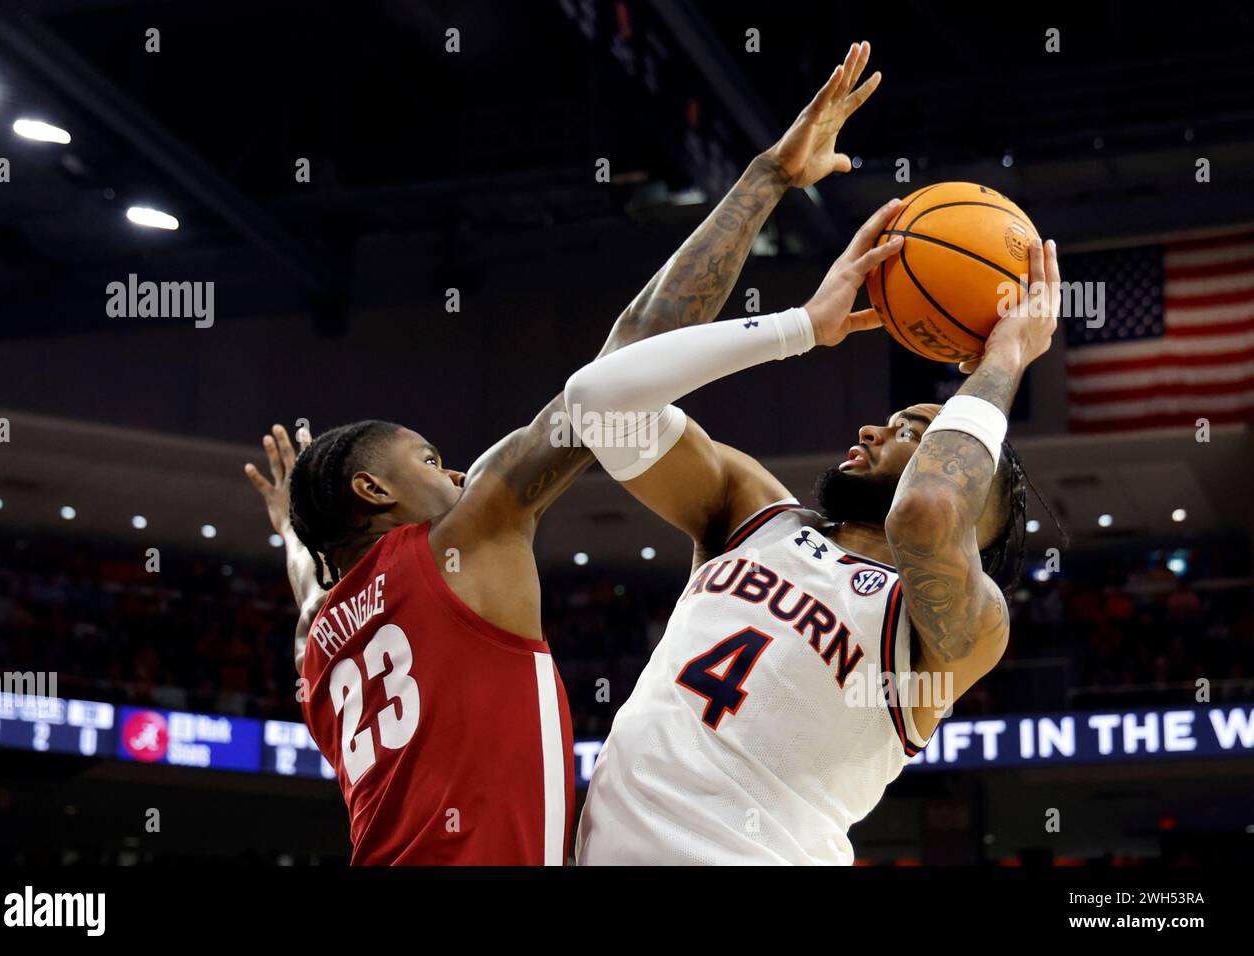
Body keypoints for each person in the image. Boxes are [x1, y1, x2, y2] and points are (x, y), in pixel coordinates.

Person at [243, 42, 883, 865]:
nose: (458, 473)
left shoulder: (325, 656)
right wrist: (765, 183)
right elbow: (620, 367)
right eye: (429, 460)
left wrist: (296, 536)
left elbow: (311, 595)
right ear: (371, 489)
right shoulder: (460, 541)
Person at [564, 202, 1060, 864]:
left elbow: (926, 514)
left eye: (913, 433)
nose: (872, 430)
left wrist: (1004, 359)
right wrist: (798, 328)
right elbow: (596, 402)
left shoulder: (962, 625)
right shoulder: (751, 514)